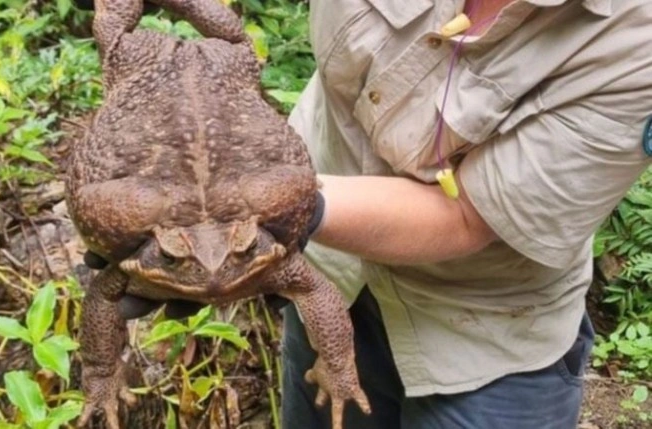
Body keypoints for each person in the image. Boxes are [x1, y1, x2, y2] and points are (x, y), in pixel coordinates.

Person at [79, 0, 652, 428]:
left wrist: (281, 218)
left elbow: (469, 218)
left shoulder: (634, 42)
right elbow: (105, 292)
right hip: (324, 261)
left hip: (484, 327)